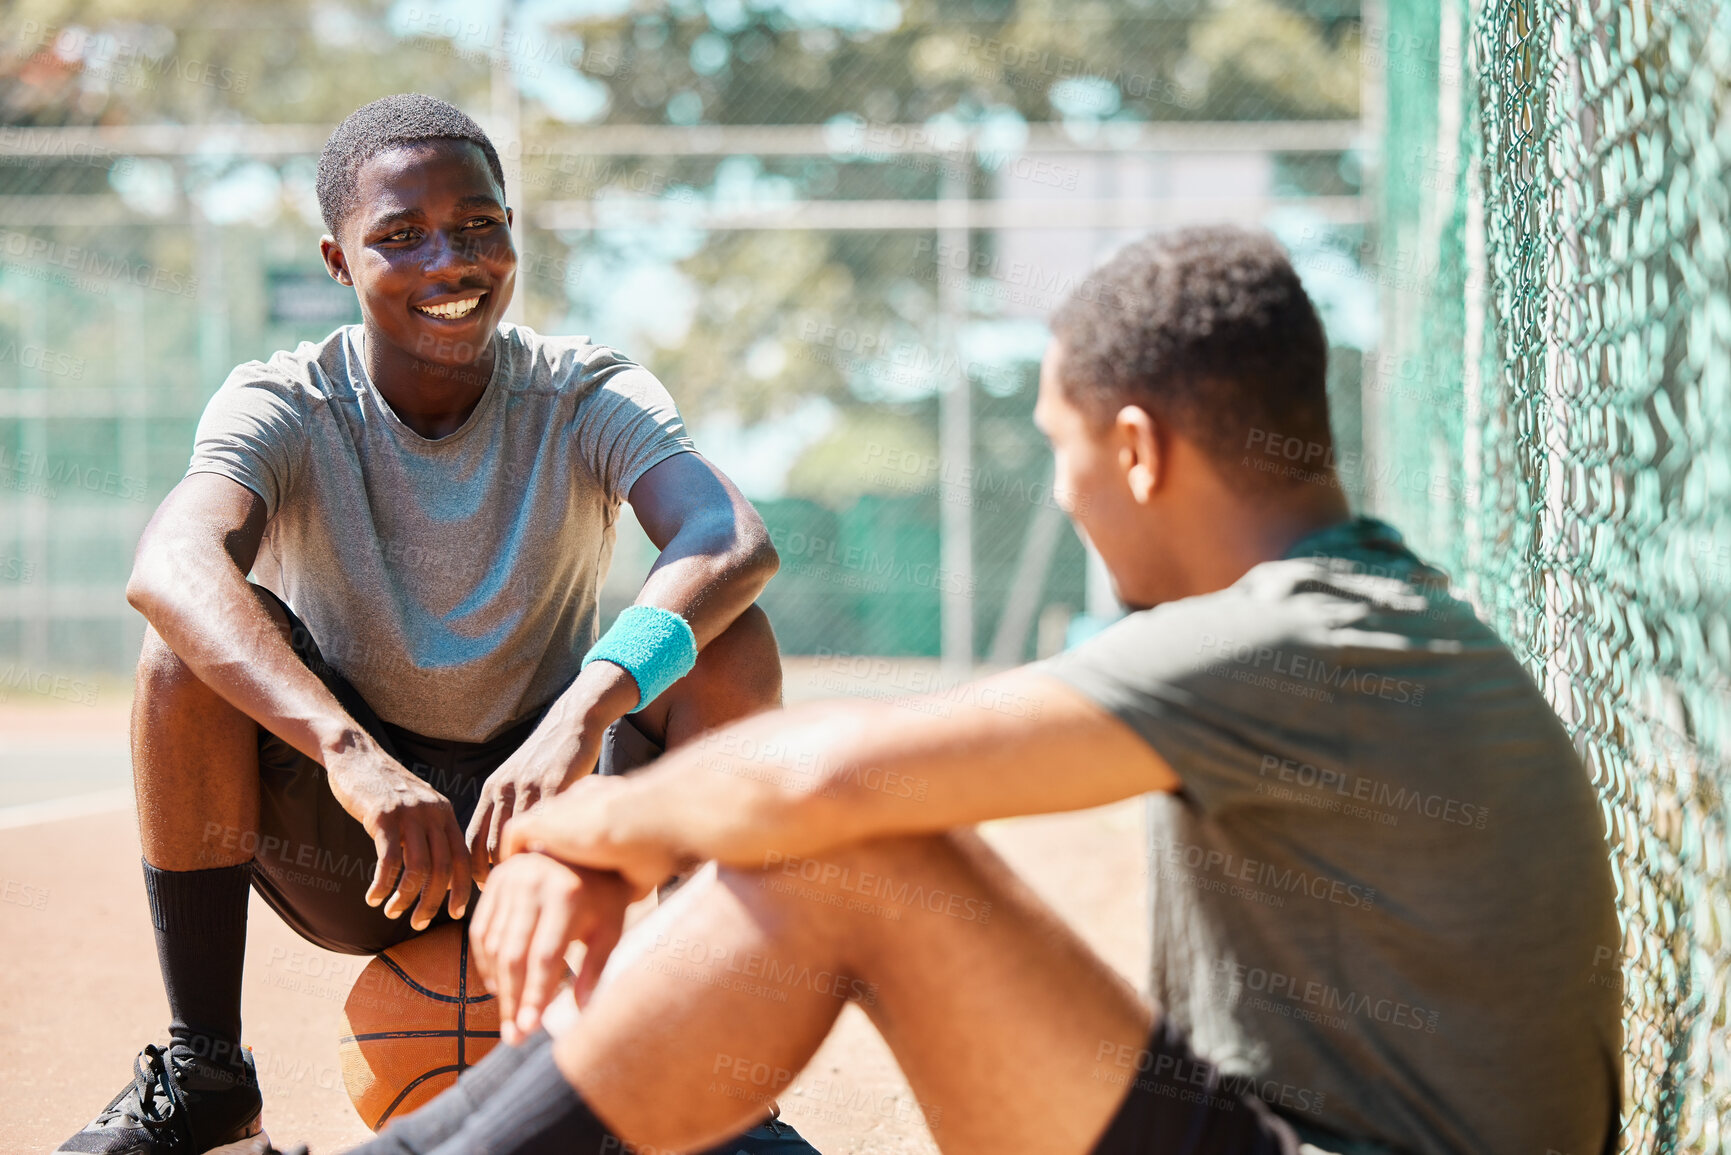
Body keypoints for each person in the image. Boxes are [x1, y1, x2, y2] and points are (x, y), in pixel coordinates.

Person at [322, 224, 1623, 1155]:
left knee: (843, 851)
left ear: (1135, 449)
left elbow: (831, 779)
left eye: (1062, 455)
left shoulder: (1304, 635)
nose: (1063, 499)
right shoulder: (1352, 613)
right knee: (842, 847)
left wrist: (571, 828)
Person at [55, 93, 817, 1155]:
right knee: (177, 657)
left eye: (478, 227)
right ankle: (208, 1076)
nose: (448, 263)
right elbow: (170, 564)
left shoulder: (586, 389)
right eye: (399, 237)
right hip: (362, 842)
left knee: (727, 635)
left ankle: (712, 1086)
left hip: (549, 820)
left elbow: (731, 538)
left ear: (513, 232)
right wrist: (348, 754)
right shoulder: (285, 401)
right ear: (337, 261)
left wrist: (584, 715)